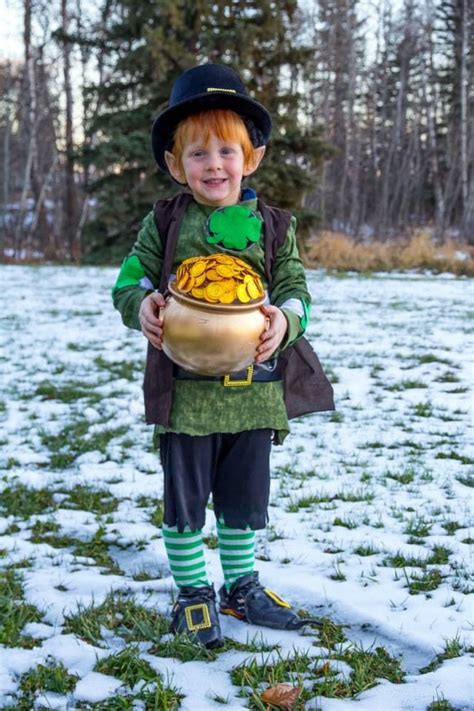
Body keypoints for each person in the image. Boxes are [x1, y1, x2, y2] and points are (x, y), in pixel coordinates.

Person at [112, 63, 325, 649]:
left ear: (249, 158)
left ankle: (239, 586)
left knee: (241, 499)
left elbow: (298, 291)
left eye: (226, 151)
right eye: (198, 154)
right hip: (187, 393)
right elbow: (127, 283)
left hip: (256, 390)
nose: (214, 165)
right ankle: (192, 593)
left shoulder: (276, 227)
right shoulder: (164, 223)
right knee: (185, 500)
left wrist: (285, 319)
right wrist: (142, 306)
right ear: (176, 165)